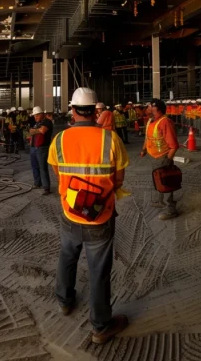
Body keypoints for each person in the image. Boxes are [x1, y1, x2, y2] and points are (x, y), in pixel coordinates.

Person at [48, 87, 129, 345]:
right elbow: (118, 179)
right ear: (96, 111)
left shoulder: (59, 139)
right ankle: (100, 327)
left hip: (70, 212)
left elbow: (57, 172)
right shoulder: (110, 139)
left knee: (67, 256)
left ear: (72, 110)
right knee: (99, 270)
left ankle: (64, 301)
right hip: (100, 216)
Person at [141, 98, 180, 220]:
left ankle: (171, 209)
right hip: (154, 157)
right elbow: (148, 138)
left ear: (156, 108)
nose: (147, 108)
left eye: (149, 106)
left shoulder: (165, 122)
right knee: (158, 180)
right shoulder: (151, 121)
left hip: (163, 157)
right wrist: (144, 149)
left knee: (166, 181)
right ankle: (160, 201)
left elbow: (174, 146)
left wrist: (168, 160)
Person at [28, 106, 54, 195]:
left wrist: (34, 131)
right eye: (34, 115)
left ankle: (46, 187)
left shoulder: (47, 122)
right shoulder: (37, 123)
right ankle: (37, 183)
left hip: (42, 148)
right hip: (33, 147)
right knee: (35, 166)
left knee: (43, 167)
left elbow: (42, 131)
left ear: (42, 114)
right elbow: (30, 132)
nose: (35, 117)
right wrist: (36, 130)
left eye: (37, 115)